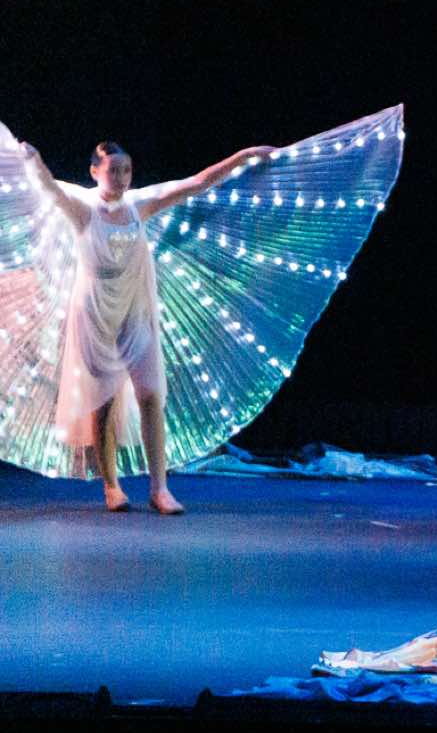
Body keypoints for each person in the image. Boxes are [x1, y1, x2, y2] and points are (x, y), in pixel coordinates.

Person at [16, 134, 276, 512]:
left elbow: (197, 183)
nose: (121, 178)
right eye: (113, 171)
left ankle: (160, 488)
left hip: (135, 310)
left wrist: (244, 155)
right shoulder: (82, 207)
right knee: (104, 402)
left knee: (151, 394)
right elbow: (47, 189)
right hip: (95, 314)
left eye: (126, 170)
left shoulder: (140, 204)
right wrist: (33, 161)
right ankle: (111, 486)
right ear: (95, 172)